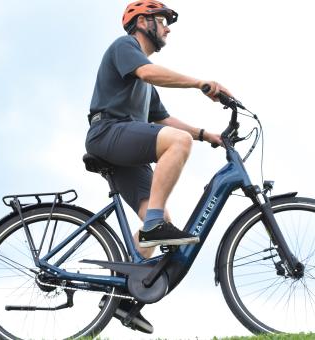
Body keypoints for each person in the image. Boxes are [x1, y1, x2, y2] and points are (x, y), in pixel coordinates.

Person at [86, 2, 233, 332]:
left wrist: (206, 135)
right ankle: (153, 224)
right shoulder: (126, 47)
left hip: (126, 151)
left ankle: (123, 297)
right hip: (108, 132)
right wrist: (200, 84)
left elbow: (162, 118)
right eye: (163, 21)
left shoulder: (145, 84)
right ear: (143, 22)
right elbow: (148, 72)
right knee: (176, 143)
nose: (167, 28)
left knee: (160, 219)